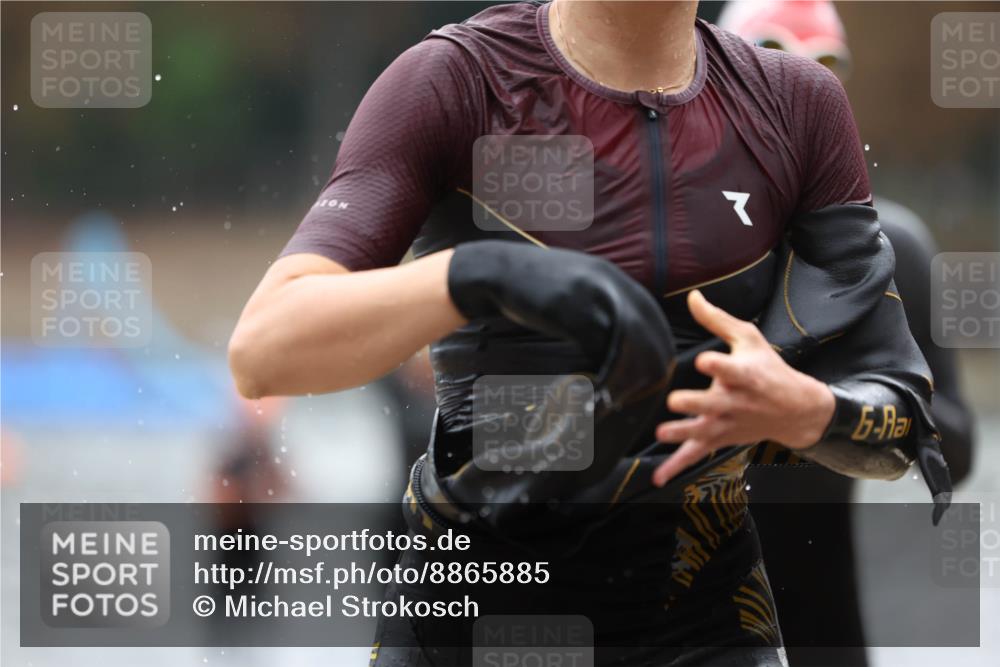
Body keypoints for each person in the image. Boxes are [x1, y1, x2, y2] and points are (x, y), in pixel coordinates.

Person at [229, 1, 950, 665]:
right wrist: (481, 275)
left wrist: (804, 411)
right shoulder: (457, 80)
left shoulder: (795, 105)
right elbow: (263, 349)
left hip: (705, 625)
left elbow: (903, 422)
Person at [717, 2, 976, 664]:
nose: (799, 104)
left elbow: (958, 444)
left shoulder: (890, 250)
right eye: (776, 74)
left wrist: (828, 411)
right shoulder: (675, 248)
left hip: (823, 622)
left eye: (823, 74)